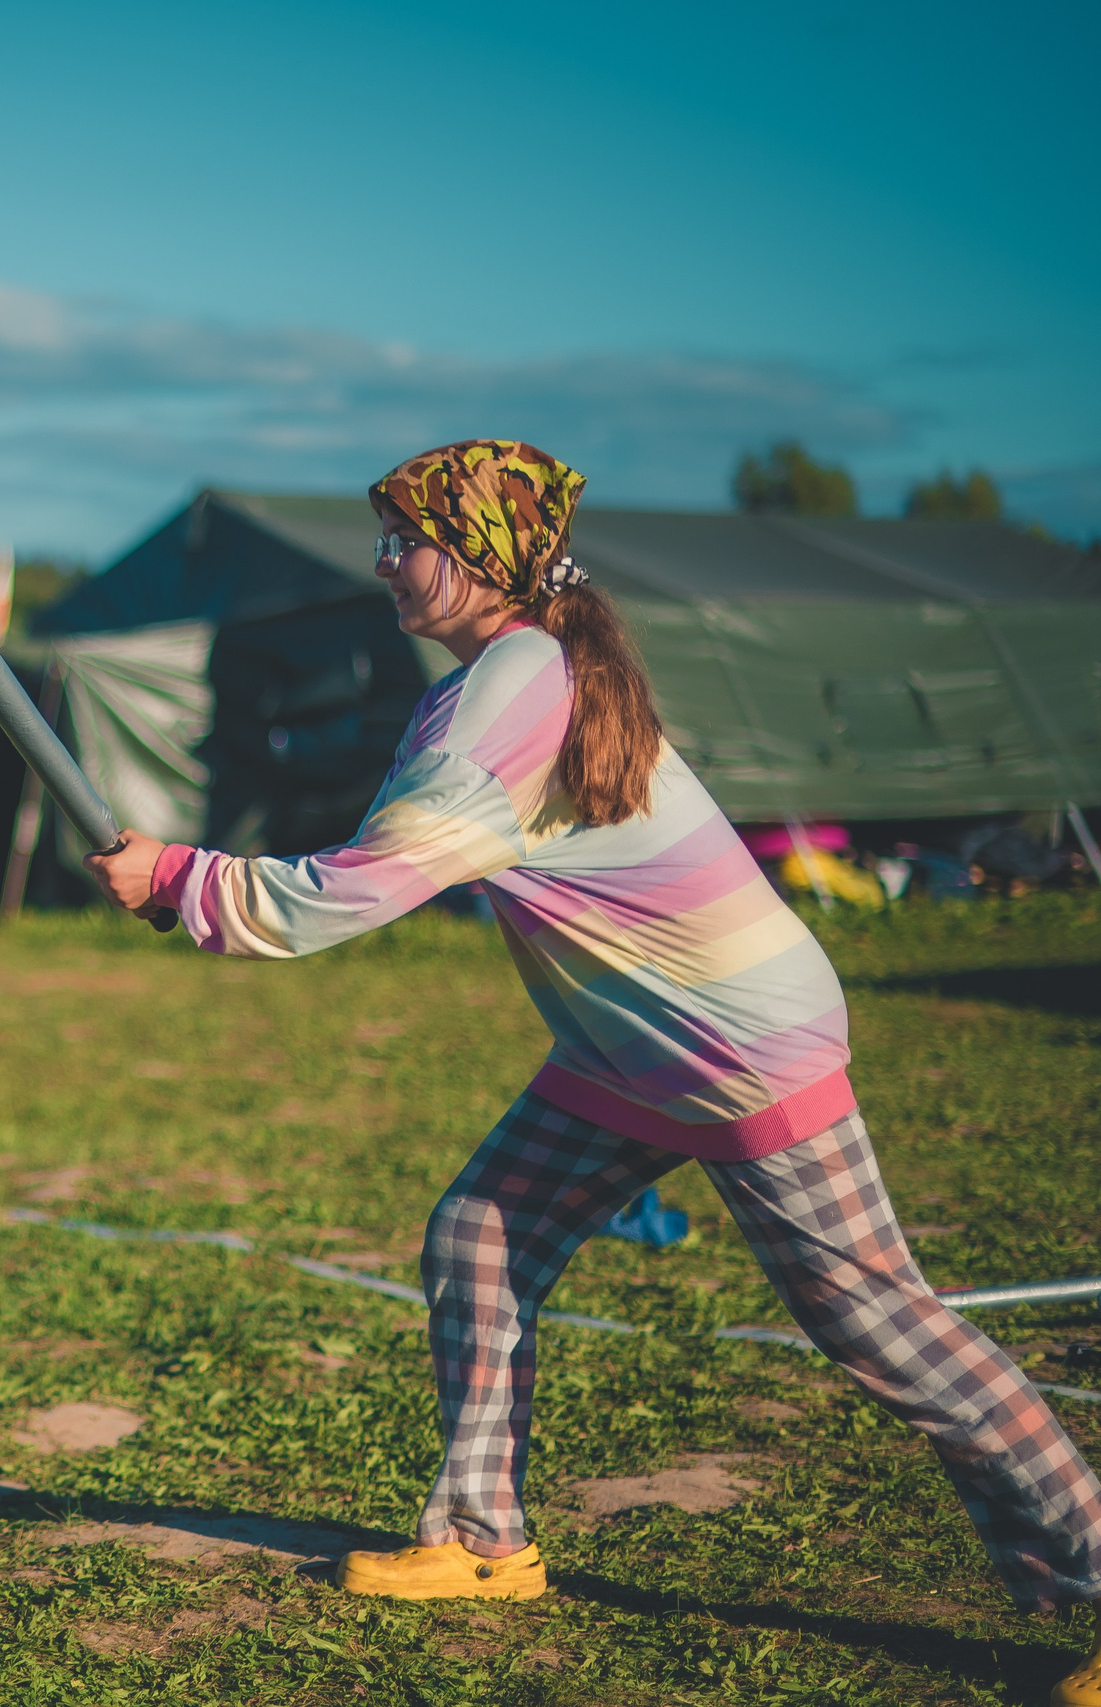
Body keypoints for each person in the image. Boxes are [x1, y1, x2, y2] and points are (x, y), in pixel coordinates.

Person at [87, 440, 1101, 1705]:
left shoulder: (508, 688)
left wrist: (182, 879)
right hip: (633, 1047)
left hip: (731, 1044)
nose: (388, 561)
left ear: (471, 560)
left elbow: (368, 886)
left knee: (887, 1331)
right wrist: (193, 880)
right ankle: (478, 1540)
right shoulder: (529, 663)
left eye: (404, 539)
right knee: (480, 1237)